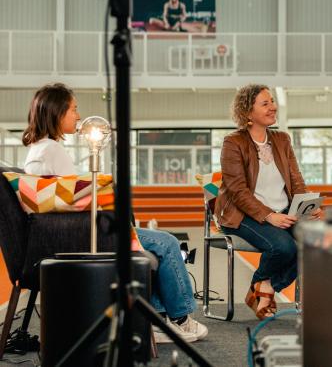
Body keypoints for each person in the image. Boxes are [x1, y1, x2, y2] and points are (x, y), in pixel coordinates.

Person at [21, 83, 208, 344]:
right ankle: (181, 318)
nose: (77, 115)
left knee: (155, 248)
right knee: (167, 242)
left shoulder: (38, 150)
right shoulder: (53, 150)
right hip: (85, 233)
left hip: (72, 231)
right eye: (73, 109)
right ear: (57, 111)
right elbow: (79, 202)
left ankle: (156, 319)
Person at [215, 84, 320, 320]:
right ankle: (264, 289)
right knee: (284, 247)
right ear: (248, 113)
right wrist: (269, 215)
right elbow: (237, 190)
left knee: (316, 242)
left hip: (283, 211)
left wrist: (306, 206)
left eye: (272, 101)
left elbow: (296, 179)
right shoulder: (233, 143)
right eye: (265, 103)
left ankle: (265, 288)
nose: (273, 107)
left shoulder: (282, 139)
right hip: (243, 215)